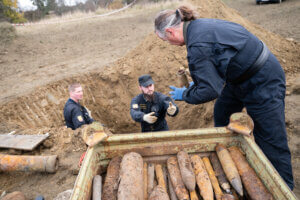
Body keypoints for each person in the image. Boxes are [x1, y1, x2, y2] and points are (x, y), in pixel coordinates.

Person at [154, 6, 294, 189]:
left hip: (263, 79)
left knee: (270, 137)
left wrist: (186, 95)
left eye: (165, 40)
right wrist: (197, 84)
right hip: (238, 77)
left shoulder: (197, 45)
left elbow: (210, 91)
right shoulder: (197, 27)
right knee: (222, 112)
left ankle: (284, 188)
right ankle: (227, 158)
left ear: (170, 31)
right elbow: (214, 68)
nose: (169, 43)